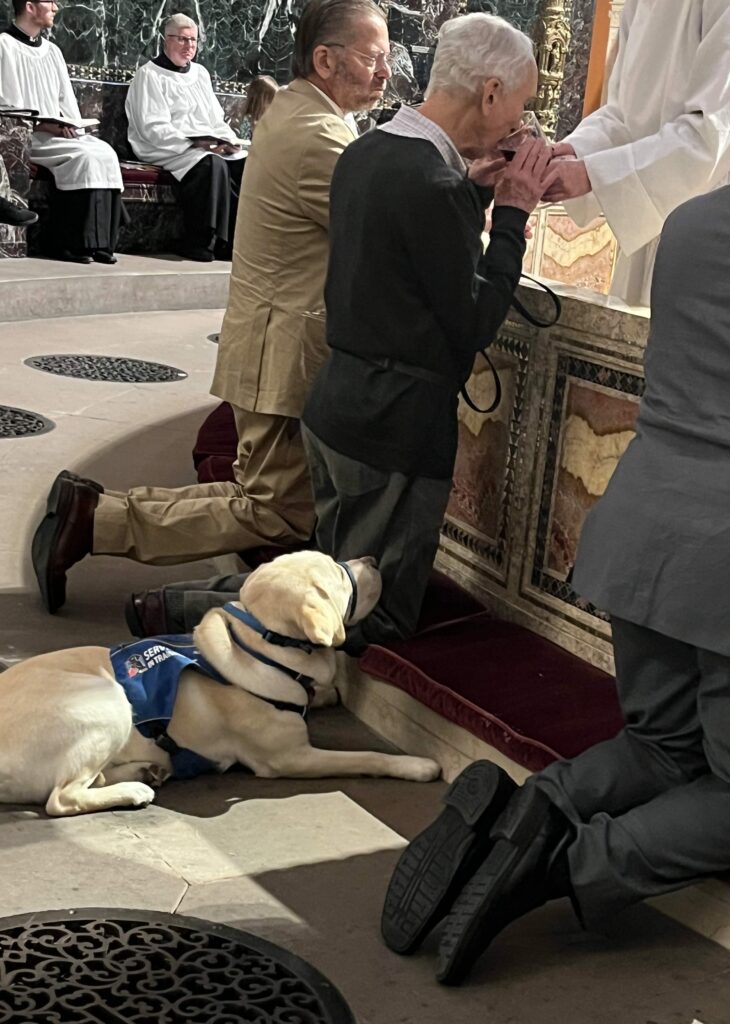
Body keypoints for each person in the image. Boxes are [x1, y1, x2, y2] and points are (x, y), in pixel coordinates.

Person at [380, 163, 730, 985]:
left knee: (661, 745)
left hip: (642, 525)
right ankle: (556, 867)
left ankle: (538, 803)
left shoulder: (694, 223)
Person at [31, 0, 392, 615]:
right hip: (282, 348)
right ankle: (97, 523)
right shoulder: (319, 133)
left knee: (268, 499)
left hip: (269, 338)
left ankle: (94, 514)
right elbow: (386, 233)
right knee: (276, 511)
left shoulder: (299, 110)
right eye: (374, 58)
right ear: (326, 60)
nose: (386, 73)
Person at [300, 13, 555, 651]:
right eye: (519, 105)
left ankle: (173, 611)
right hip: (395, 428)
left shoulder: (368, 151)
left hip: (340, 404)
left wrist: (472, 193)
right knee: (365, 615)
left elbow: (408, 264)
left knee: (323, 586)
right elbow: (470, 320)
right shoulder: (434, 184)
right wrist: (514, 218)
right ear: (490, 92)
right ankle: (182, 619)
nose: (519, 125)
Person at [544, 0, 730, 305]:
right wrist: (568, 152)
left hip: (718, 217)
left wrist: (590, 174)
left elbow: (714, 132)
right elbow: (623, 114)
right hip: (649, 209)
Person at [0, 0, 124, 263]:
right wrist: (42, 124)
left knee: (105, 152)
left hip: (57, 132)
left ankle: (101, 243)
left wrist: (71, 123)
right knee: (84, 158)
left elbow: (66, 101)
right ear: (30, 7)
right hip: (26, 137)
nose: (56, 7)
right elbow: (6, 105)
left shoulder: (53, 51)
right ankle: (68, 243)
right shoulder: (4, 45)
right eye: (49, 2)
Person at [125, 14, 247, 262]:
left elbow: (215, 119)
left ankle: (233, 242)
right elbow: (151, 126)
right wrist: (193, 141)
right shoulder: (149, 75)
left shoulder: (200, 73)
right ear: (164, 40)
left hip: (205, 145)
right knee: (212, 165)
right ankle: (200, 241)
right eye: (181, 39)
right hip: (166, 147)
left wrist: (227, 142)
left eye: (193, 40)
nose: (189, 46)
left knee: (244, 164)